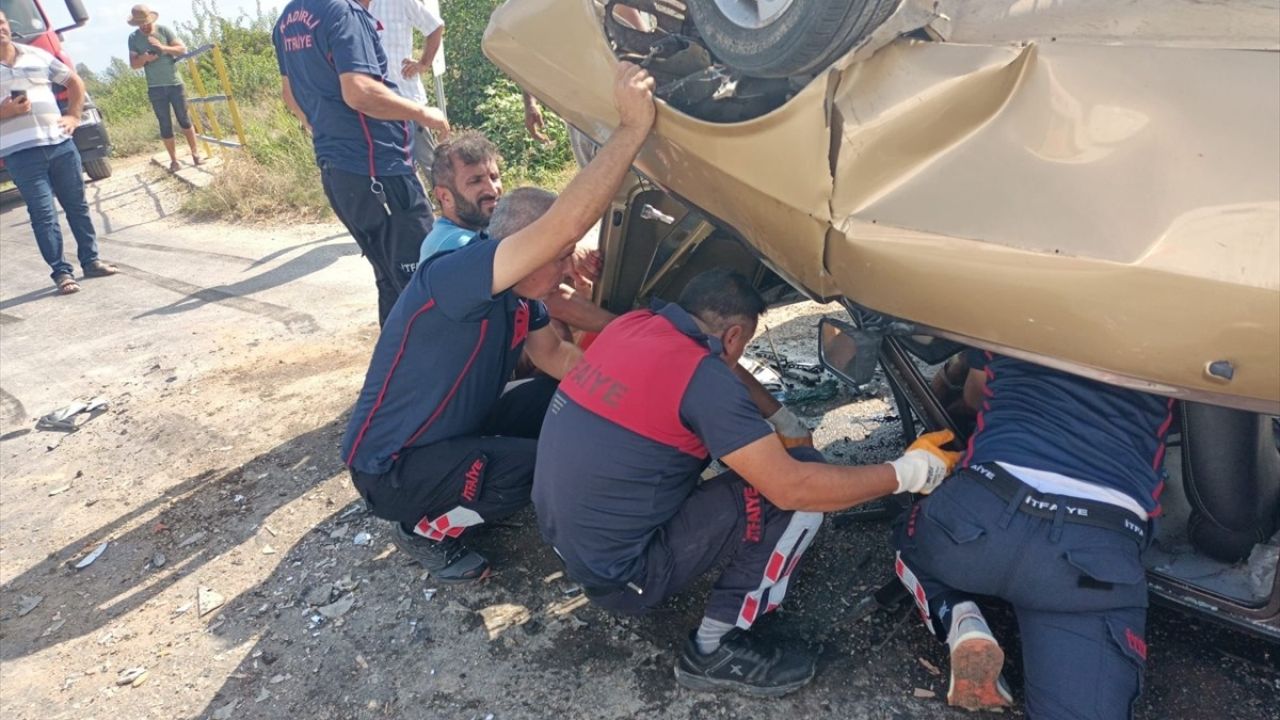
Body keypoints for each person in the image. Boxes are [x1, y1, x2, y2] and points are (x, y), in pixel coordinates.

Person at [532, 267, 962, 697]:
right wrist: (911, 471)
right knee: (798, 494)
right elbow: (792, 487)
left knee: (747, 461)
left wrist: (779, 416)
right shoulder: (703, 379)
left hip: (569, 547)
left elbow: (717, 366)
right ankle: (714, 649)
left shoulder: (635, 326)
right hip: (626, 578)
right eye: (744, 345)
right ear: (735, 337)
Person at [340, 62, 656, 584]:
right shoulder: (457, 275)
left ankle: (487, 478)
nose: (566, 267)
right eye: (558, 256)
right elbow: (567, 223)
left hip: (454, 435)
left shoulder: (522, 296)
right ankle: (425, 528)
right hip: (393, 469)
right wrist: (631, 129)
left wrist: (634, 408)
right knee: (543, 470)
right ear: (519, 250)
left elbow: (559, 357)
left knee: (561, 400)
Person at [894, 350, 1174, 718]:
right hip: (1087, 562)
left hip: (980, 519)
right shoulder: (1185, 317)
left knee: (910, 535)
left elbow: (975, 395)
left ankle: (959, 615)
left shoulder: (1015, 295)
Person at [274, 0, 450, 326]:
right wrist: (423, 113)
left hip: (339, 171)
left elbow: (290, 94)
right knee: (424, 279)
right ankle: (437, 372)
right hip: (377, 169)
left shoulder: (288, 18)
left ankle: (395, 371)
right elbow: (359, 92)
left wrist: (320, 125)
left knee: (389, 278)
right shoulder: (344, 13)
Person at [422, 129, 614, 335]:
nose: (492, 189)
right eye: (475, 181)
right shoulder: (454, 245)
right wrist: (625, 326)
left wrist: (568, 255)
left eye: (494, 177)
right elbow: (551, 299)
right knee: (551, 323)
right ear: (444, 196)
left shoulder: (479, 231)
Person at [0, 10, 117, 295]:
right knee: (43, 214)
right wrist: (6, 111)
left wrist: (74, 116)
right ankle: (62, 273)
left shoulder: (35, 54)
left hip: (60, 145)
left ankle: (91, 261)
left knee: (77, 206)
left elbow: (73, 81)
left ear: (8, 25)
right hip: (21, 153)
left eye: (1, 23)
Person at [369, 0, 444, 176]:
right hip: (372, 102)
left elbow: (435, 27)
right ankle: (416, 203)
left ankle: (448, 201)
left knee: (429, 163)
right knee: (389, 167)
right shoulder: (348, 6)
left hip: (405, 97)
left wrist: (424, 63)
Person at [126, 5, 202, 173]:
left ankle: (196, 154)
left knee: (184, 119)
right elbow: (133, 64)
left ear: (151, 19)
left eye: (146, 22)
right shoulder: (133, 38)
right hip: (155, 87)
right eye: (140, 24)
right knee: (165, 124)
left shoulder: (164, 31)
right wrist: (145, 58)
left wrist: (162, 48)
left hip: (175, 83)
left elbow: (182, 49)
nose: (144, 26)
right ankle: (174, 161)